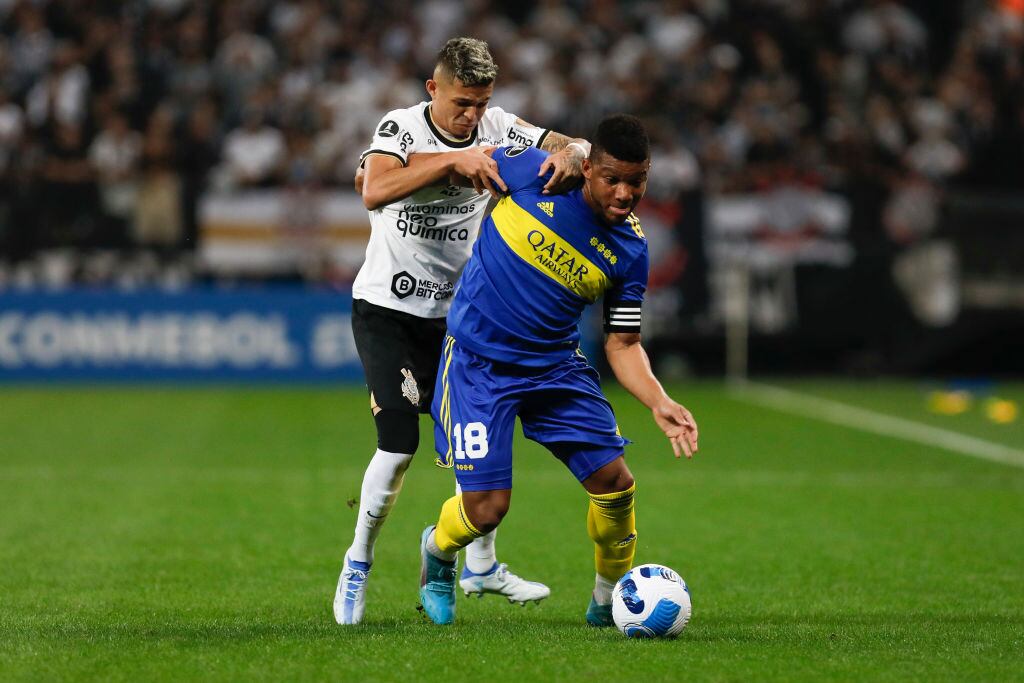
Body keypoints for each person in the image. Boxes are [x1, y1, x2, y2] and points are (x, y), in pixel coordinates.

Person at [334, 37, 591, 625]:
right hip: (389, 312)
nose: (472, 116)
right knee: (398, 448)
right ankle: (358, 562)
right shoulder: (401, 128)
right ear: (433, 89)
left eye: (481, 104)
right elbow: (374, 188)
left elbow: (567, 143)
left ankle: (481, 566)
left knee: (478, 446)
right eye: (461, 104)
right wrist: (455, 161)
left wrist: (576, 151)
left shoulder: (498, 126)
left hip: (464, 318)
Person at [418, 114, 700, 626]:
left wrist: (659, 401)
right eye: (612, 179)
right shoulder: (534, 173)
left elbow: (623, 344)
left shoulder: (631, 249)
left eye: (636, 181)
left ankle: (609, 600)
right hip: (480, 364)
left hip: (555, 369)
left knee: (615, 485)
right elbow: (461, 162)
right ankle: (437, 556)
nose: (624, 193)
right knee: (486, 510)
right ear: (588, 168)